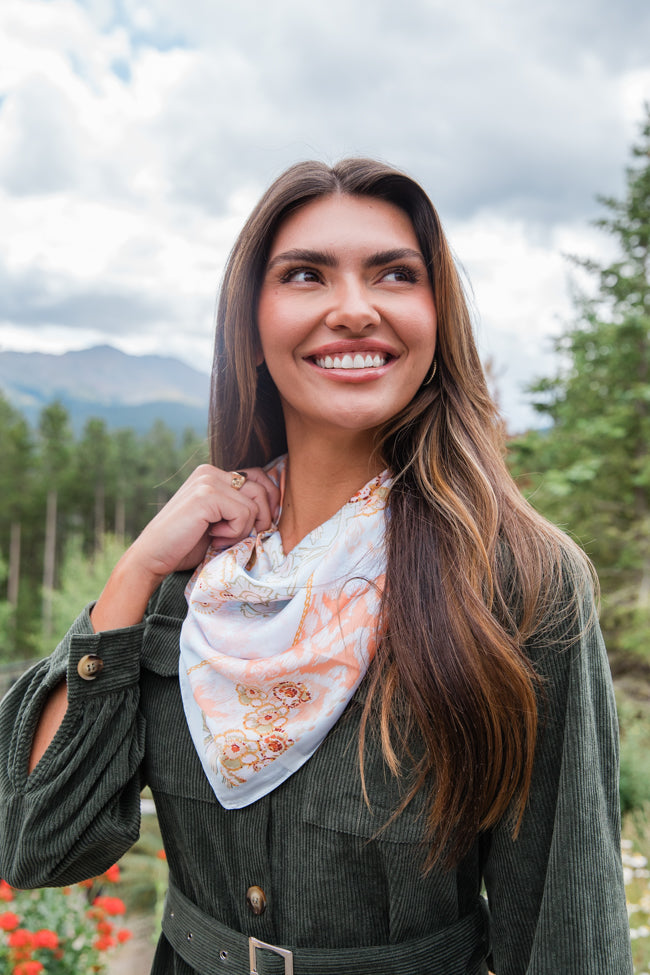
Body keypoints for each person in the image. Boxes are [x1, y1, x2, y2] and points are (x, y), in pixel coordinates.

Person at [0, 159, 632, 975]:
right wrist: (135, 571)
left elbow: (565, 930)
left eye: (394, 274)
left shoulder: (522, 582)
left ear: (435, 317)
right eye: (305, 274)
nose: (354, 308)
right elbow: (39, 841)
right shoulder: (189, 580)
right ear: (252, 328)